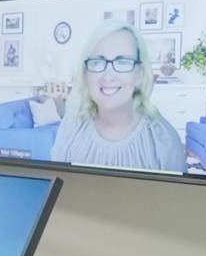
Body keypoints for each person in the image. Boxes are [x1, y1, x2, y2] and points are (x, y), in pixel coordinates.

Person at [50, 24, 186, 173]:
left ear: (139, 74)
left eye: (122, 62)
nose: (108, 76)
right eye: (97, 62)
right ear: (86, 73)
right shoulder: (71, 128)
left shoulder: (164, 140)